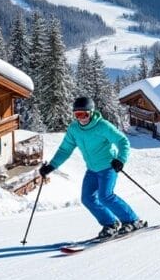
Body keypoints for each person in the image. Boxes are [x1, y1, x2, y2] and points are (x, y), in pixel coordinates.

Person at [40, 97, 146, 239]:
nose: (81, 118)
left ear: (91, 112)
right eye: (77, 115)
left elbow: (122, 141)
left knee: (105, 196)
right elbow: (65, 150)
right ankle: (110, 223)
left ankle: (132, 221)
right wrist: (51, 166)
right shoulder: (74, 129)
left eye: (84, 114)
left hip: (108, 167)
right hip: (92, 169)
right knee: (87, 199)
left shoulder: (102, 126)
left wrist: (120, 159)